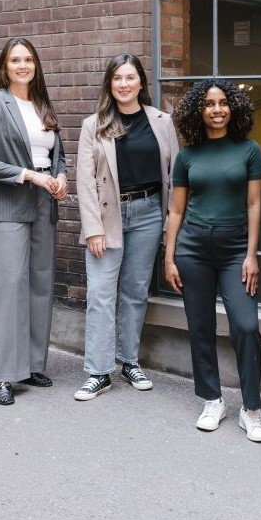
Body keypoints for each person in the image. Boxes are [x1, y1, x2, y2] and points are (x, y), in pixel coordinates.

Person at [163, 79, 261, 442]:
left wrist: (252, 254)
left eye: (223, 102)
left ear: (234, 107)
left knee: (246, 326)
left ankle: (251, 409)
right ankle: (212, 399)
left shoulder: (249, 150)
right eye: (209, 104)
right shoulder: (187, 155)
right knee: (200, 327)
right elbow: (175, 211)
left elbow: (255, 204)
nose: (217, 109)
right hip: (193, 249)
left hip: (235, 249)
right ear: (199, 110)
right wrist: (169, 257)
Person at [74, 54, 179, 400]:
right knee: (101, 294)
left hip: (149, 212)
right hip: (108, 217)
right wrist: (92, 228)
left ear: (140, 83)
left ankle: (129, 360)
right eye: (117, 78)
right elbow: (85, 181)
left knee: (135, 291)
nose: (123, 84)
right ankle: (98, 371)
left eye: (130, 77)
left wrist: (169, 222)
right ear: (109, 83)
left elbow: (174, 174)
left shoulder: (162, 121)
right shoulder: (95, 124)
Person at [0, 37, 68, 406]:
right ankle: (3, 375)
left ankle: (29, 365)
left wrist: (61, 177)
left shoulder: (42, 104)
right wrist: (29, 175)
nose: (23, 65)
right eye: (16, 60)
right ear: (4, 66)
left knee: (40, 284)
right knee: (9, 287)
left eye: (28, 59)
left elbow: (58, 154)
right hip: (9, 205)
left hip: (45, 201)